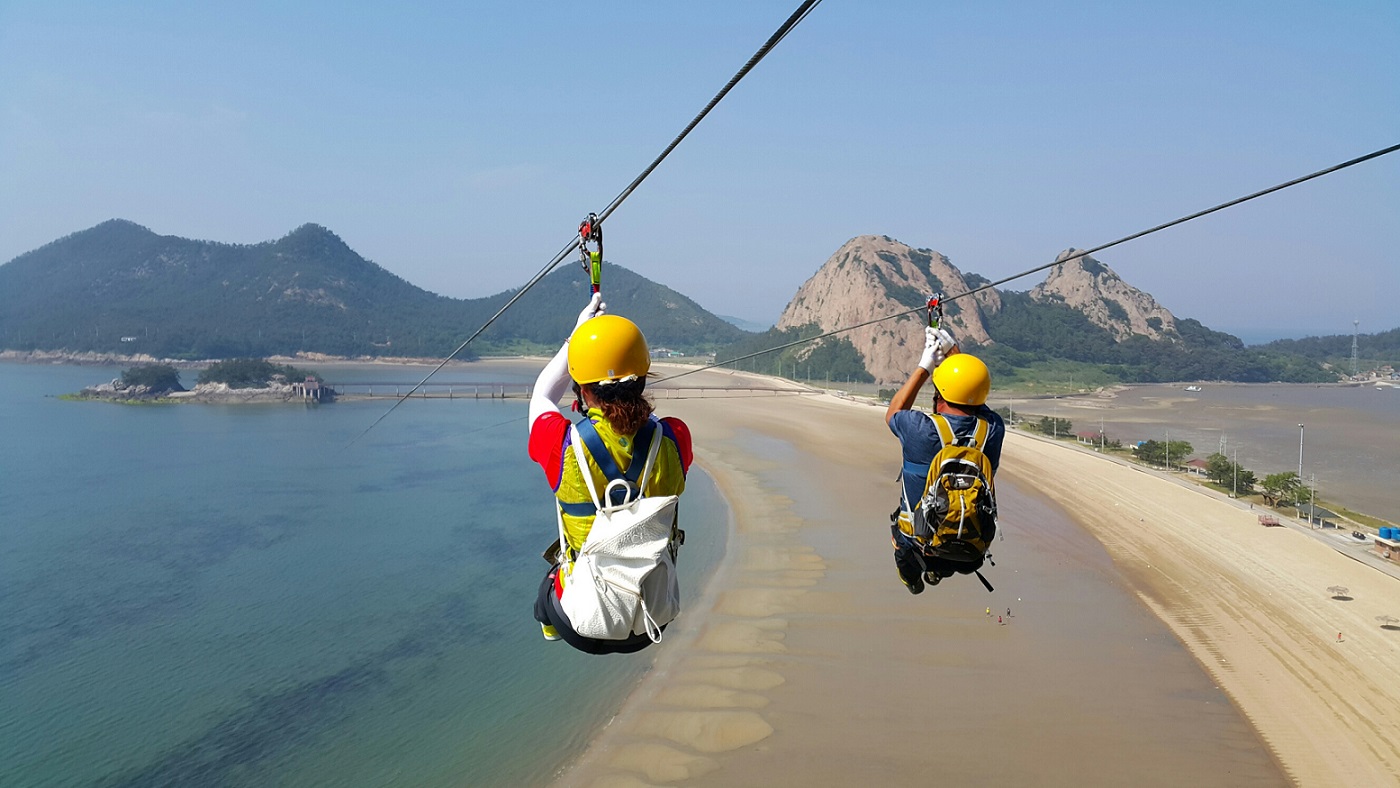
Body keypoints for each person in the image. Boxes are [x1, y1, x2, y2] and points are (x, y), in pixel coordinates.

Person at [527, 294, 693, 654]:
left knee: (547, 588)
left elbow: (542, 395)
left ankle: (549, 628)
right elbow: (643, 428)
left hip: (579, 621)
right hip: (652, 616)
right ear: (643, 381)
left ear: (583, 390)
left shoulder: (563, 444)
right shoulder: (675, 438)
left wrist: (577, 336)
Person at [885, 325, 1004, 594]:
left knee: (900, 542)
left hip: (918, 545)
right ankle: (938, 571)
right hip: (970, 552)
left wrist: (924, 366)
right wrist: (953, 354)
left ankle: (914, 581)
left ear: (939, 395)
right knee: (945, 560)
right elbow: (973, 395)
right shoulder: (992, 429)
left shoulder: (921, 429)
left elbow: (894, 412)